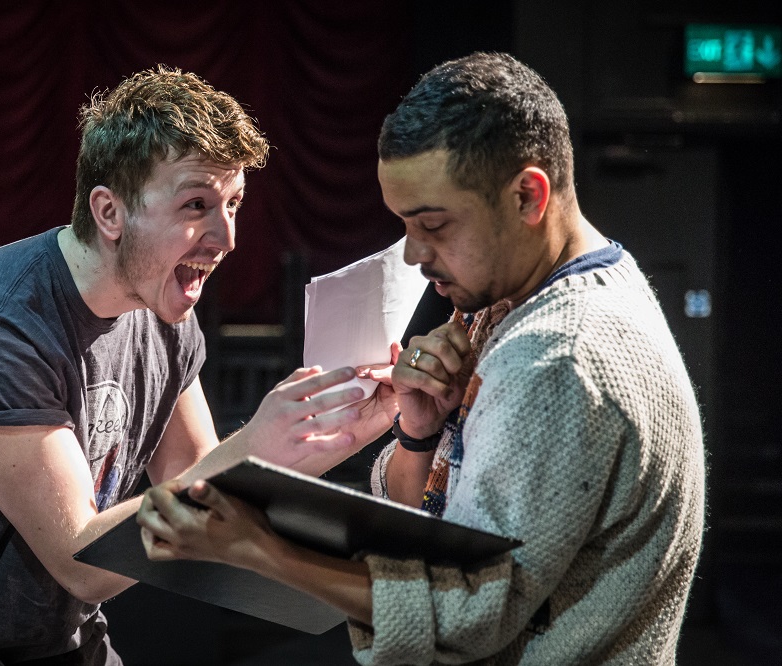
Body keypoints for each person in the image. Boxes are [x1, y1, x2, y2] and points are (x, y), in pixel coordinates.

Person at [137, 52, 706, 665]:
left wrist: (257, 550)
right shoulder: (541, 293)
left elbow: (466, 616)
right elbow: (446, 523)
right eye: (406, 225)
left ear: (528, 196)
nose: (412, 254)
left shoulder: (556, 355)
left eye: (433, 224)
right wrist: (418, 436)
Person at [0, 66, 393, 665]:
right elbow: (82, 561)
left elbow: (199, 489)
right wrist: (256, 445)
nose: (225, 236)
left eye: (232, 203)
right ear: (109, 213)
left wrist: (335, 432)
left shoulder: (165, 313)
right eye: (196, 204)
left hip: (65, 643)